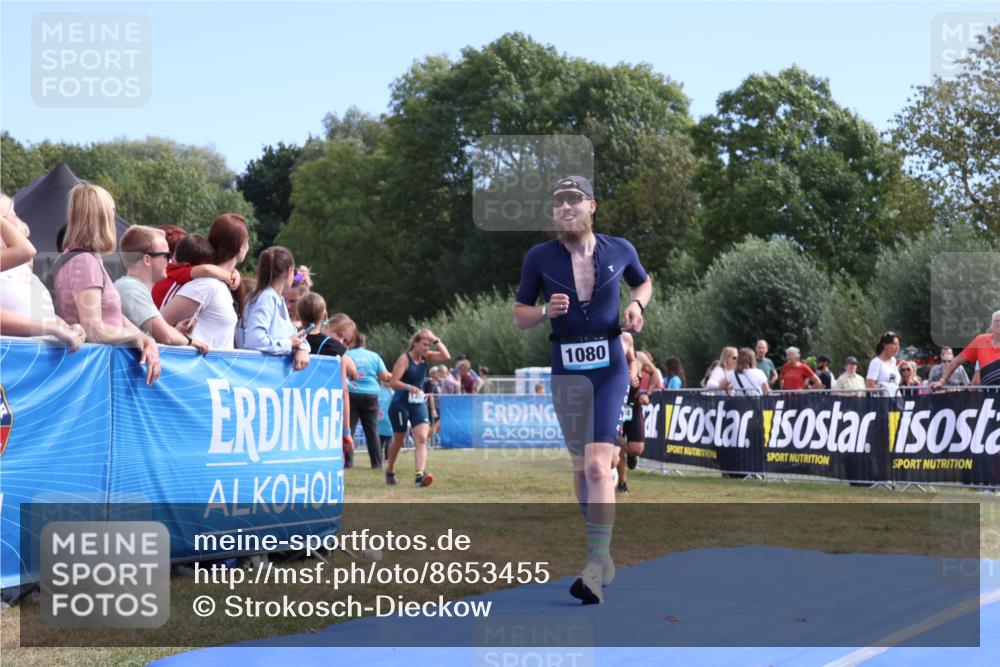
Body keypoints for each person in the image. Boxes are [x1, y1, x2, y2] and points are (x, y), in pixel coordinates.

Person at [513, 175, 652, 605]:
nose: (565, 207)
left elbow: (643, 282)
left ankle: (595, 564)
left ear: (593, 206)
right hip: (567, 370)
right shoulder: (539, 257)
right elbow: (519, 316)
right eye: (558, 202)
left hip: (609, 369)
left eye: (574, 200)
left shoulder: (620, 249)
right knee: (580, 469)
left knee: (597, 467)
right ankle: (601, 555)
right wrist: (542, 311)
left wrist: (636, 304)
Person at [53, 184, 160, 384]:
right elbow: (94, 330)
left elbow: (109, 313)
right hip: (97, 374)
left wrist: (142, 336)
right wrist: (136, 337)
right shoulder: (84, 262)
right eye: (112, 211)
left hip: (97, 369)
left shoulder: (81, 258)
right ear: (102, 218)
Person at [0, 194, 85, 350]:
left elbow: (38, 312)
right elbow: (26, 250)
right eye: (14, 213)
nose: (19, 220)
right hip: (12, 358)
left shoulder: (21, 266)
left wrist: (65, 327)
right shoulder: (18, 257)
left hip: (35, 357)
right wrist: (51, 328)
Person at [161, 213, 249, 350]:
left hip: (213, 368)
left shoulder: (219, 283)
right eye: (247, 241)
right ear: (240, 245)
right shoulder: (207, 285)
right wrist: (183, 338)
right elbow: (159, 323)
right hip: (197, 368)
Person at [115, 226, 209, 353]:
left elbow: (156, 336)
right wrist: (189, 341)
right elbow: (165, 336)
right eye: (165, 255)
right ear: (147, 259)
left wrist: (176, 333)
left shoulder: (131, 287)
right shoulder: (130, 288)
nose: (169, 261)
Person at [384, 329, 450, 486]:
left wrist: (435, 339)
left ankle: (419, 475)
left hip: (418, 403)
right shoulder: (404, 359)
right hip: (401, 403)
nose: (427, 348)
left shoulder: (426, 357)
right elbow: (393, 382)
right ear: (415, 343)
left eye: (429, 345)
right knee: (398, 441)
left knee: (421, 438)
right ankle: (390, 470)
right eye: (424, 344)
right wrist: (408, 386)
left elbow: (446, 356)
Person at [298, 301, 357, 466]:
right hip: (320, 411)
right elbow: (344, 390)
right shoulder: (334, 350)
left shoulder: (296, 338)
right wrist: (346, 432)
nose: (341, 342)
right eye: (339, 335)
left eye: (346, 341)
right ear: (326, 322)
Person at [236, 245, 310, 371]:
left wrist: (302, 349)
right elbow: (255, 340)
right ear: (289, 271)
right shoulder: (266, 298)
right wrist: (289, 344)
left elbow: (296, 337)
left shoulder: (275, 299)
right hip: (258, 374)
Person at [152, 233, 239, 308]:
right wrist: (229, 276)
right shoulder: (180, 272)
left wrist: (234, 272)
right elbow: (206, 270)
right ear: (188, 266)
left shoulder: (172, 269)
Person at [346, 331, 393, 469]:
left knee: (349, 430)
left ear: (352, 341)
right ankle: (377, 464)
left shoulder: (346, 355)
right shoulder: (374, 356)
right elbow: (385, 376)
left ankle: (348, 463)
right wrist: (399, 376)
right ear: (364, 343)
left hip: (352, 393)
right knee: (372, 431)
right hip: (371, 395)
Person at [931, 311, 1000, 389]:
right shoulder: (980, 340)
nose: (999, 324)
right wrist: (942, 381)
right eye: (996, 321)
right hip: (988, 394)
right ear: (991, 324)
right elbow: (956, 361)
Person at [866, 331, 901, 396]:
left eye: (898, 344)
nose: (897, 347)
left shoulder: (893, 360)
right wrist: (883, 393)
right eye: (894, 344)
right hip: (883, 402)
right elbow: (869, 384)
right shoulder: (876, 362)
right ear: (885, 345)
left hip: (896, 400)